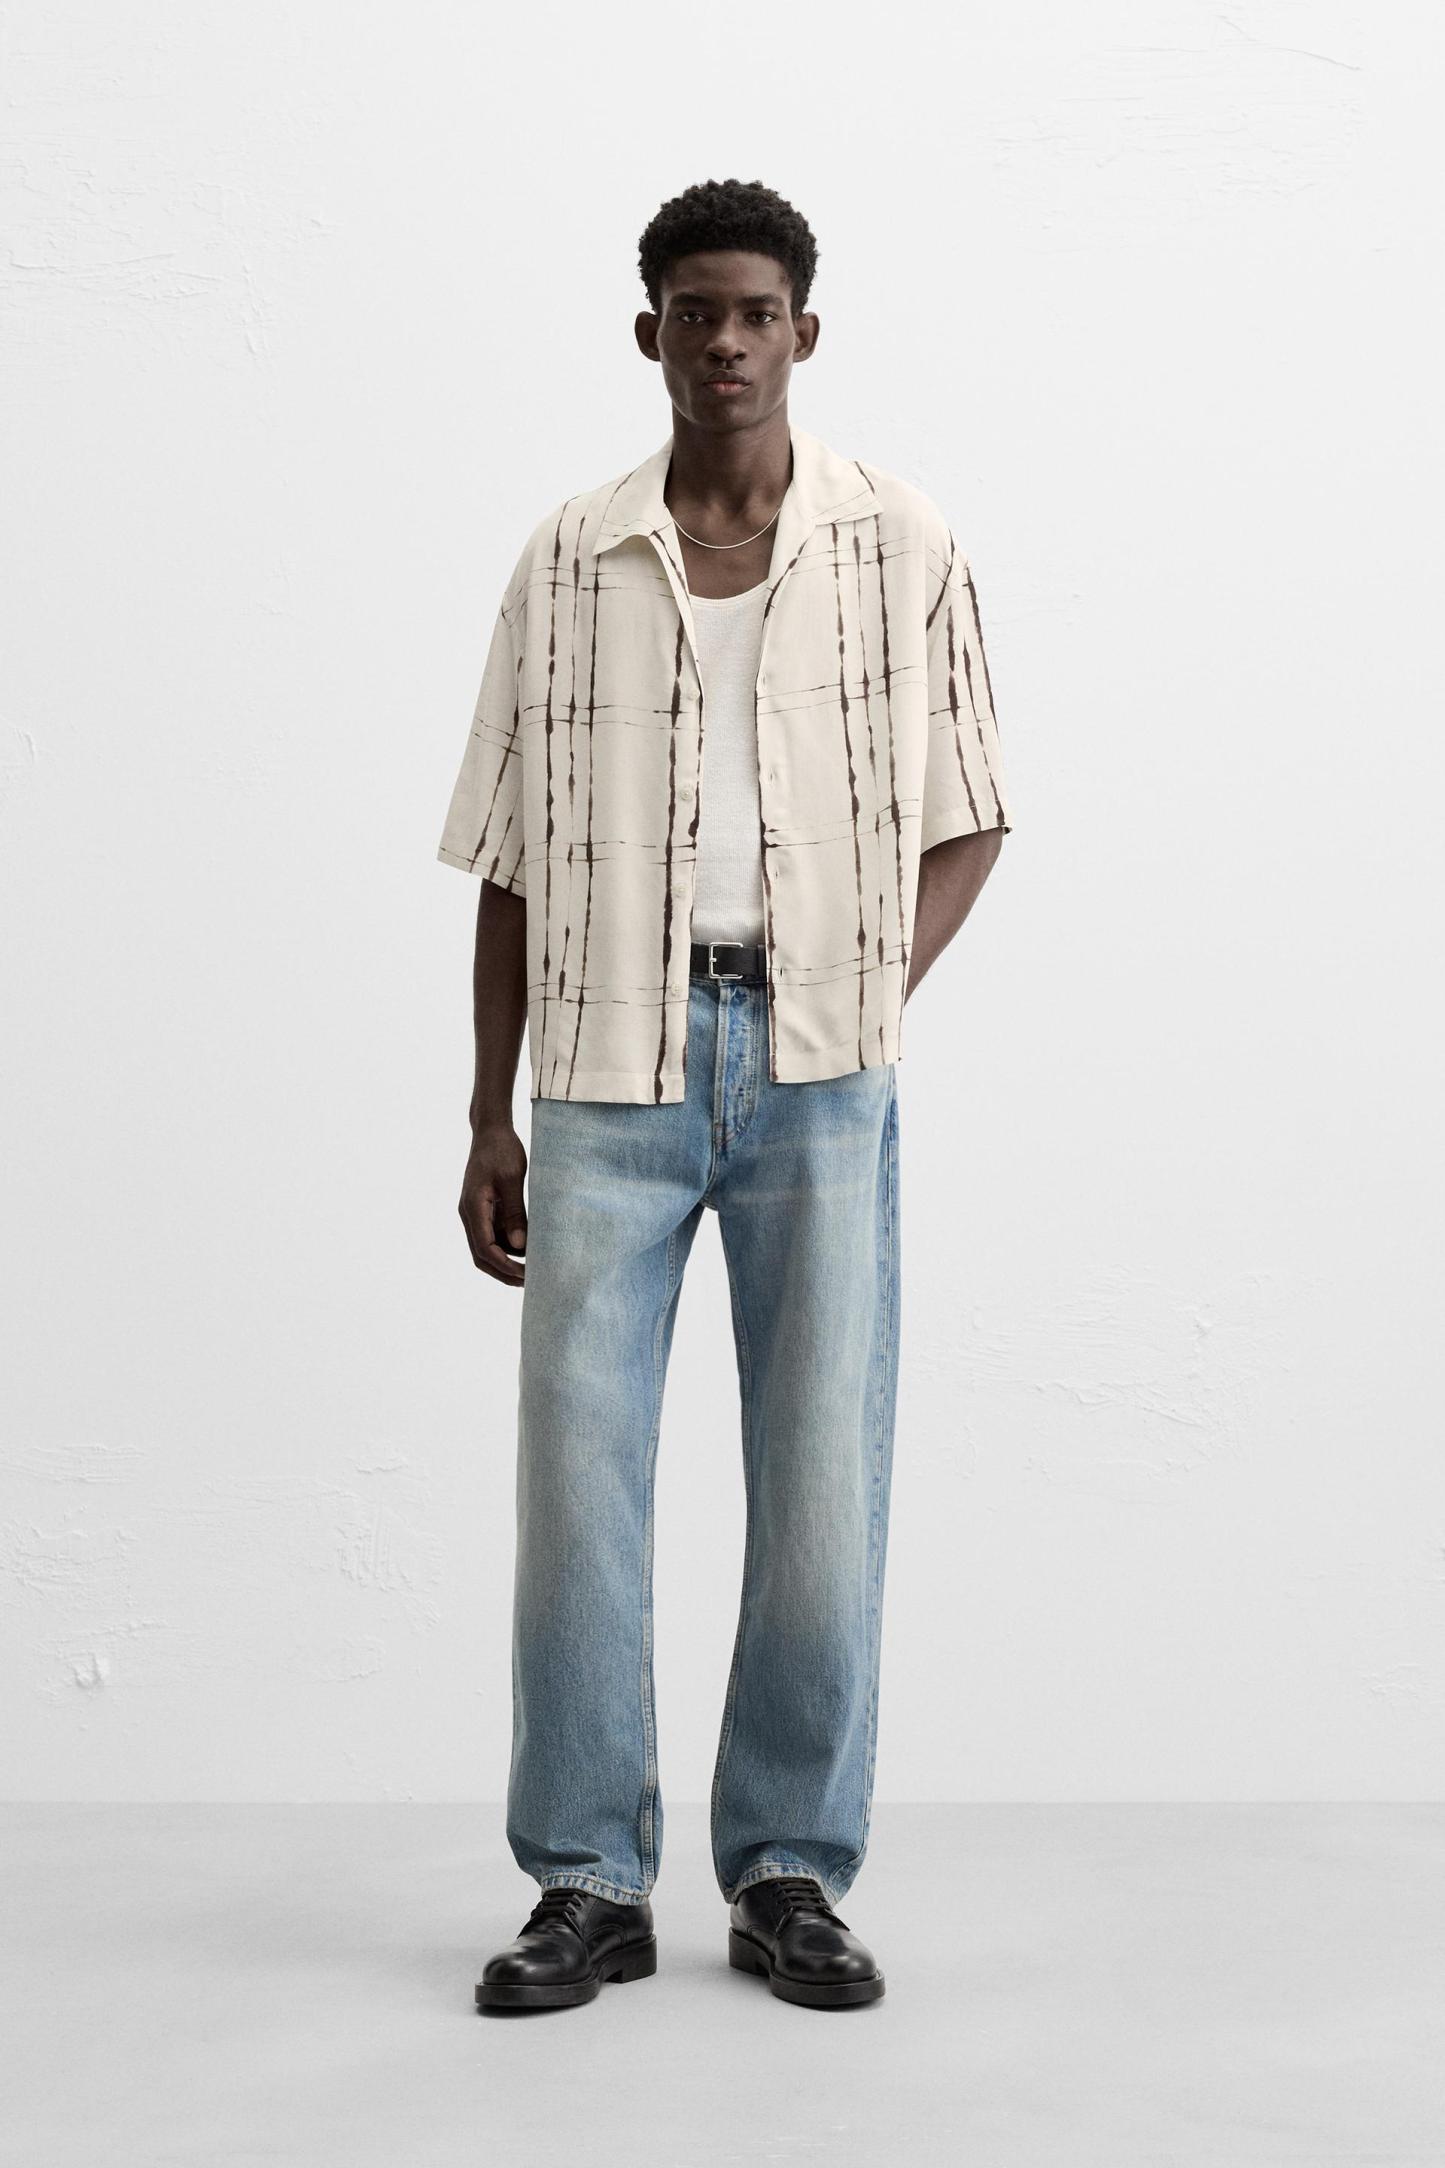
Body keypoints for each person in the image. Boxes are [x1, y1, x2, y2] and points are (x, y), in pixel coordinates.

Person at [438, 177, 1015, 2014]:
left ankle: (786, 1871)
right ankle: (585, 1881)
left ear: (804, 332)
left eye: (757, 310)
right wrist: (485, 1113)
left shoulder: (898, 542)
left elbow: (971, 811)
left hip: (819, 1076)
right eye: (694, 311)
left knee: (820, 1483)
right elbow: (506, 858)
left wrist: (861, 998)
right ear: (650, 334)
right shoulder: (568, 556)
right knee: (577, 1486)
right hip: (601, 1067)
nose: (727, 341)